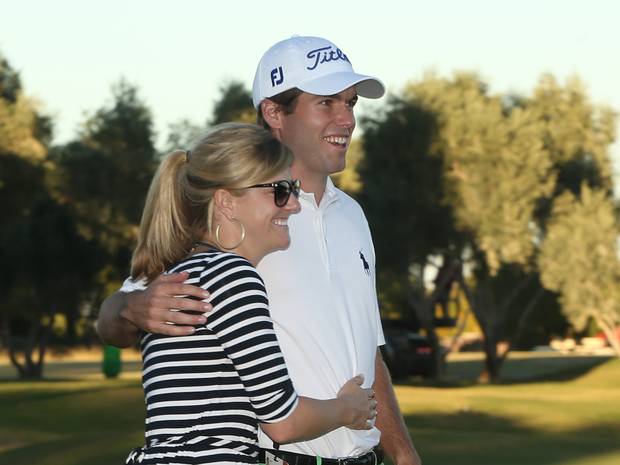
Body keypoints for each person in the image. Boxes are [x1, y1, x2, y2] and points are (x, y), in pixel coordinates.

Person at [98, 36, 422, 465]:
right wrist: (129, 309)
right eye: (326, 103)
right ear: (274, 112)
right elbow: (114, 320)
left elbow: (364, 350)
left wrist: (403, 453)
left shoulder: (352, 217)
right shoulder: (237, 220)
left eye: (350, 103)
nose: (346, 119)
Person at [122, 123, 378, 465]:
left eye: (293, 189)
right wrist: (348, 409)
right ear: (227, 202)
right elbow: (283, 422)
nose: (293, 205)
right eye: (280, 191)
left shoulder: (180, 275)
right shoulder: (233, 276)